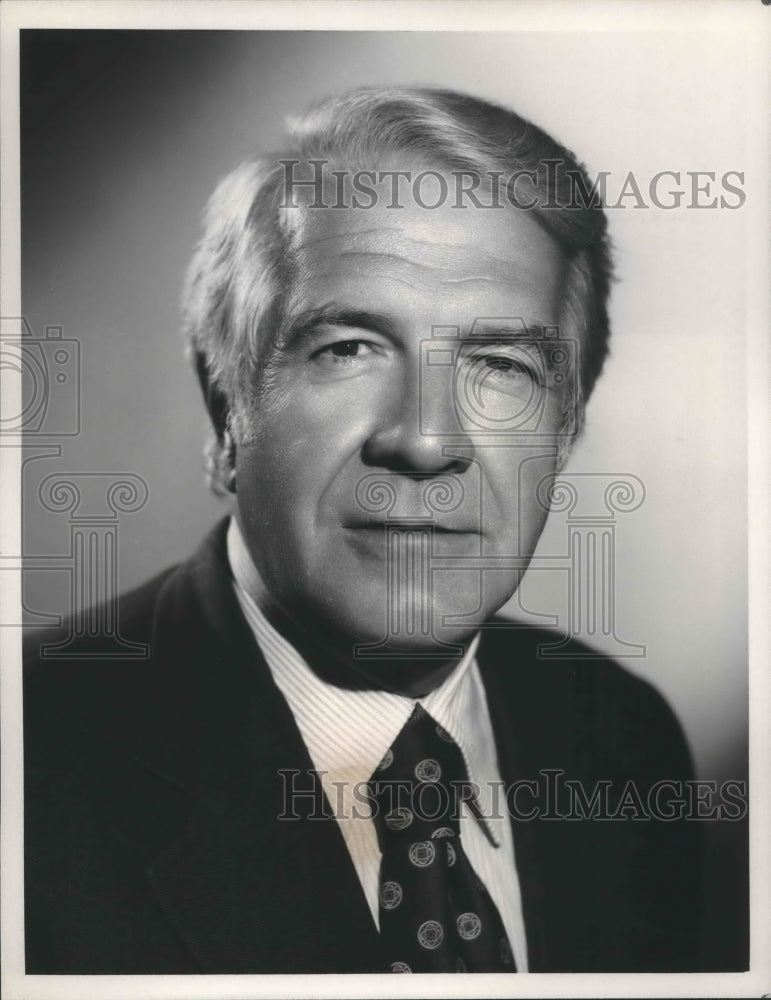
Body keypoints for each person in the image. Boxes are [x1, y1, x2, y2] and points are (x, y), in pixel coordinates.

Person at [24, 86, 702, 974]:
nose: (424, 441)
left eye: (499, 365)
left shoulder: (620, 740)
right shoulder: (30, 762)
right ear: (226, 407)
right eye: (348, 348)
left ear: (565, 428)